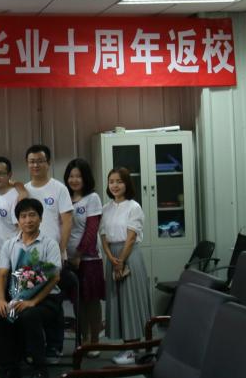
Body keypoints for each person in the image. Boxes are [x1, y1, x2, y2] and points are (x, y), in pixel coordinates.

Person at [0, 198, 62, 378]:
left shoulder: (49, 244)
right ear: (18, 220)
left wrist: (34, 301)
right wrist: (1, 300)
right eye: (23, 216)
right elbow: (2, 275)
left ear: (40, 218)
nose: (28, 220)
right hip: (17, 297)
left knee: (29, 315)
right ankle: (10, 368)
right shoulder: (10, 244)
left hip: (46, 299)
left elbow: (54, 278)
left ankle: (39, 369)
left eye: (32, 215)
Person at [24, 143, 74, 360]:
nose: (36, 165)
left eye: (40, 161)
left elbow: (67, 221)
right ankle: (35, 347)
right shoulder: (25, 191)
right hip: (30, 256)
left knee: (54, 300)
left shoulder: (59, 188)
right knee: (33, 301)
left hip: (53, 256)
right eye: (32, 161)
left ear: (48, 163)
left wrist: (61, 251)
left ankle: (55, 345)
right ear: (27, 164)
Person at [100, 167, 151, 365]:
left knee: (131, 301)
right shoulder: (106, 208)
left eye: (119, 181)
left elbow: (130, 238)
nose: (115, 185)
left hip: (129, 256)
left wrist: (120, 261)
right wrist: (110, 257)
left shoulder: (134, 207)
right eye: (111, 181)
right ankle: (126, 346)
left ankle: (132, 350)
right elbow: (103, 236)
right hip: (112, 257)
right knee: (118, 302)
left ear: (127, 184)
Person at [64, 158, 104, 355]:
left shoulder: (92, 198)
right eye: (71, 176)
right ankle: (83, 338)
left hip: (88, 259)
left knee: (91, 301)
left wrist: (79, 254)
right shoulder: (65, 198)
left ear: (86, 177)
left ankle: (94, 341)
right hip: (69, 259)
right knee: (77, 301)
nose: (74, 180)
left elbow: (91, 230)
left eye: (78, 176)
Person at [0, 157, 26, 256]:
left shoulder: (15, 197)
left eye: (0, 173)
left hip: (12, 254)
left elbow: (21, 229)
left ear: (9, 175)